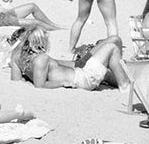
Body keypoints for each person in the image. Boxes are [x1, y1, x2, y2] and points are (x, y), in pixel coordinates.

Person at [11, 30, 148, 107]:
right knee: (112, 46)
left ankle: (125, 80)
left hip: (80, 74)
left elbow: (16, 80)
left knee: (107, 68)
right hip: (83, 79)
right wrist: (62, 82)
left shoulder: (16, 57)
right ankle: (125, 86)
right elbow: (39, 85)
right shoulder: (41, 59)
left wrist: (27, 77)